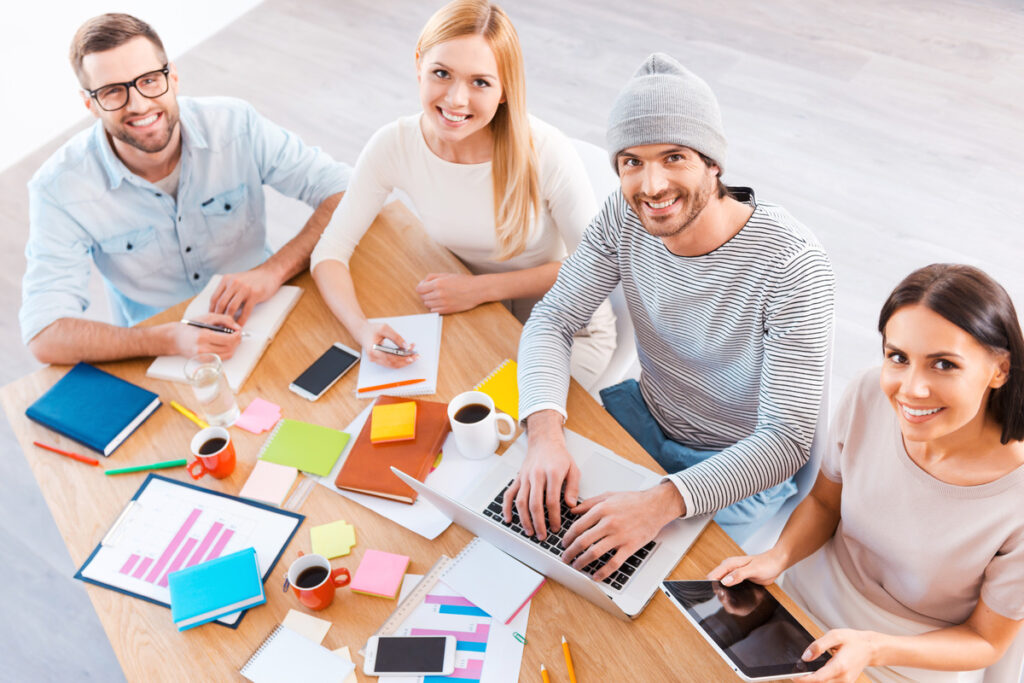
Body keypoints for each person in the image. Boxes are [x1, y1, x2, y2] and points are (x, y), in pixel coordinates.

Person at [504, 52, 836, 579]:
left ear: (713, 162)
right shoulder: (622, 212)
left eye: (674, 156)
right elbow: (553, 319)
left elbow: (787, 440)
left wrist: (659, 502)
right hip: (645, 416)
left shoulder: (792, 263)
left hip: (738, 465)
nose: (651, 186)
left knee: (638, 593)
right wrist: (544, 432)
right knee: (530, 534)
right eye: (632, 161)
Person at [711, 264, 1024, 683]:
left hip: (906, 660)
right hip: (799, 609)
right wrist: (776, 556)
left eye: (944, 364)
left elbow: (987, 641)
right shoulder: (865, 395)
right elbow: (824, 502)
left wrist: (873, 647)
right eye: (898, 357)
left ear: (999, 370)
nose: (912, 389)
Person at [310, 0, 615, 389]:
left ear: (505, 90)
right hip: (480, 310)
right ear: (418, 64)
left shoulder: (544, 150)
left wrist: (480, 289)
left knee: (507, 427)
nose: (456, 99)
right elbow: (329, 252)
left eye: (480, 82)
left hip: (567, 323)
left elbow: (598, 267)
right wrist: (363, 329)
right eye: (442, 73)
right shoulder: (393, 145)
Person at [21, 13, 351, 364]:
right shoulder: (58, 188)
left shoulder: (235, 124)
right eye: (112, 91)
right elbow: (44, 334)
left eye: (149, 80)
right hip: (156, 348)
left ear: (173, 77)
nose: (139, 104)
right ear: (91, 104)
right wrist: (167, 338)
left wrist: (273, 271)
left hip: (265, 311)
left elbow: (345, 190)